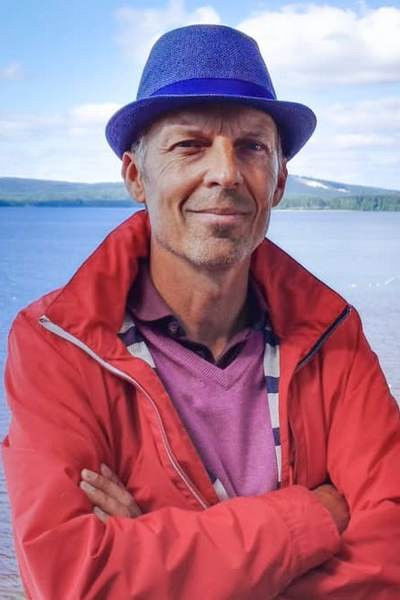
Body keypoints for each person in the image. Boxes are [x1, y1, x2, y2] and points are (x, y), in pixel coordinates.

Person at [2, 24, 400, 600]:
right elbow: (75, 580)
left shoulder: (332, 333)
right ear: (136, 176)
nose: (225, 173)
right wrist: (313, 515)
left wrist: (159, 556)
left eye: (252, 147)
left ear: (279, 181)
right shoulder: (58, 344)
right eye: (189, 145)